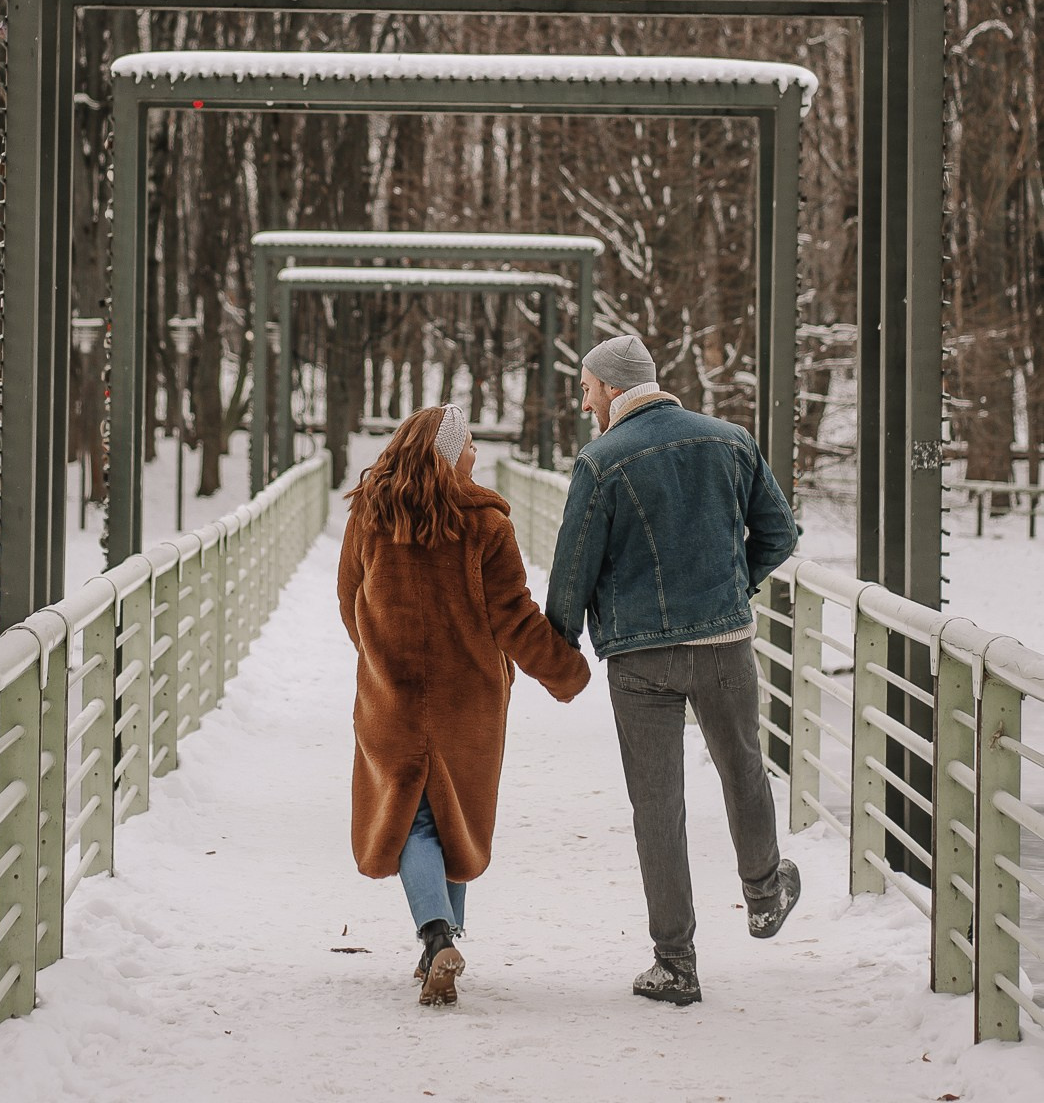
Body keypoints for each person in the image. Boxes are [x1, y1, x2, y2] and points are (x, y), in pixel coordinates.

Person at [545, 333, 800, 1007]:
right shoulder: (732, 441)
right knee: (743, 767)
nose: (585, 402)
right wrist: (732, 588)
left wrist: (558, 646)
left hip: (638, 656)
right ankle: (765, 896)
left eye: (587, 389)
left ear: (611, 388)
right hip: (724, 644)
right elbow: (779, 534)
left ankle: (676, 965)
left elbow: (573, 568)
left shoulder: (601, 461)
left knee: (657, 805)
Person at [338, 403, 590, 1007]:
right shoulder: (485, 524)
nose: (477, 451)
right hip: (468, 699)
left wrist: (378, 654)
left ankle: (436, 940)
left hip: (392, 694)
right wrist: (566, 672)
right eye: (469, 442)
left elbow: (350, 599)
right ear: (448, 454)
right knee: (450, 816)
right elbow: (514, 617)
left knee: (412, 818)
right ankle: (440, 939)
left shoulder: (372, 512)